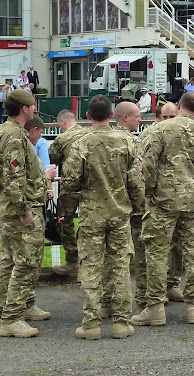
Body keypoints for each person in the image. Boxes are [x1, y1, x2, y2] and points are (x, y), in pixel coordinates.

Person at [133, 93, 194, 327]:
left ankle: (155, 308)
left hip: (163, 201)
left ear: (179, 106)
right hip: (192, 201)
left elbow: (146, 165)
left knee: (157, 254)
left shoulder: (160, 130)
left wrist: (150, 192)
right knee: (193, 254)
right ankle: (193, 308)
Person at [61, 95, 144, 340]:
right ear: (111, 115)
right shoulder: (127, 142)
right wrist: (138, 207)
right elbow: (136, 180)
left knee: (91, 267)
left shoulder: (81, 144)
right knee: (120, 266)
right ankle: (121, 322)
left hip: (91, 215)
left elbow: (69, 183)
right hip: (119, 214)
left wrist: (65, 213)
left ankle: (91, 323)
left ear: (88, 116)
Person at [0, 88, 56, 337]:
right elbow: (14, 176)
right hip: (18, 210)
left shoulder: (4, 131)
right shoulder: (16, 136)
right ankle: (11, 317)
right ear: (25, 109)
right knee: (26, 262)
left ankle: (8, 311)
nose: (34, 110)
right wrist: (24, 210)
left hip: (7, 208)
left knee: (9, 261)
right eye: (33, 106)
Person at [130, 102, 179, 311]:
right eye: (165, 117)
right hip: (152, 198)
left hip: (173, 197)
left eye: (172, 117)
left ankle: (170, 284)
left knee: (173, 245)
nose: (168, 121)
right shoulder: (149, 135)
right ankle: (151, 292)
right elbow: (143, 166)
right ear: (158, 117)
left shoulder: (180, 133)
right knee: (149, 247)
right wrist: (147, 193)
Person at [49, 110, 90, 277]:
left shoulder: (62, 139)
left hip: (69, 187)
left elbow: (53, 157)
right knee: (89, 224)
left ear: (63, 122)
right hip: (89, 186)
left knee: (65, 222)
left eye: (60, 124)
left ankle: (72, 261)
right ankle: (87, 263)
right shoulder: (89, 135)